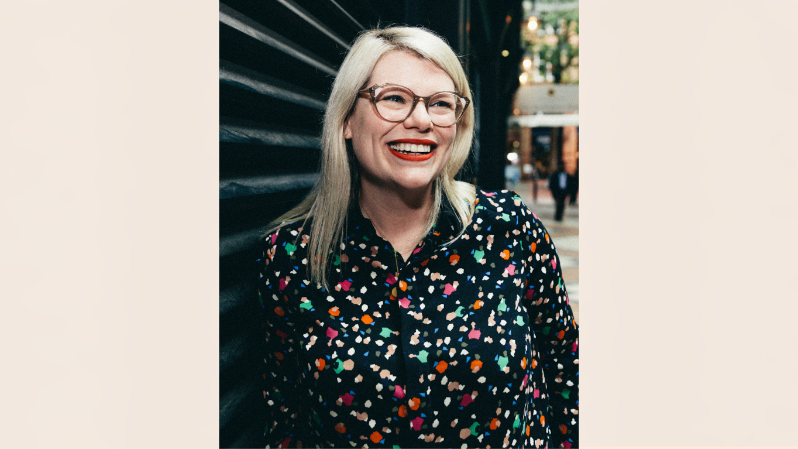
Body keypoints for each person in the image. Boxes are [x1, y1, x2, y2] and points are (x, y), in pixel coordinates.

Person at [257, 26, 578, 448]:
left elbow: (567, 375)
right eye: (394, 98)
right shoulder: (291, 256)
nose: (421, 121)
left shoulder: (510, 228)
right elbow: (285, 419)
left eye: (441, 104)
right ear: (347, 120)